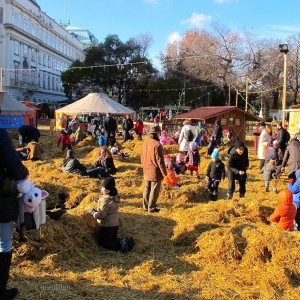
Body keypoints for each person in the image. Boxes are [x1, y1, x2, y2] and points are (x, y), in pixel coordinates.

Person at [0, 129, 29, 299]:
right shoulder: (1, 134)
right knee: (4, 243)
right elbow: (13, 163)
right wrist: (23, 174)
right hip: (2, 199)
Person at [87, 177, 134, 253]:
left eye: (104, 188)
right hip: (114, 225)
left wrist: (92, 211)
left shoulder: (105, 201)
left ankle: (122, 242)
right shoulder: (113, 197)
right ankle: (122, 241)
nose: (102, 189)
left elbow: (101, 215)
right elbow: (107, 204)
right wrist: (99, 200)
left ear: (107, 190)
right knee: (111, 240)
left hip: (107, 226)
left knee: (103, 243)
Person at [141, 125, 167, 213]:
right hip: (154, 170)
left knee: (147, 188)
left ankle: (145, 206)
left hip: (146, 168)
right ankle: (151, 207)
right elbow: (160, 161)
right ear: (157, 133)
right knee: (154, 190)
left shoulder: (145, 142)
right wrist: (164, 174)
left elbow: (141, 156)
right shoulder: (157, 145)